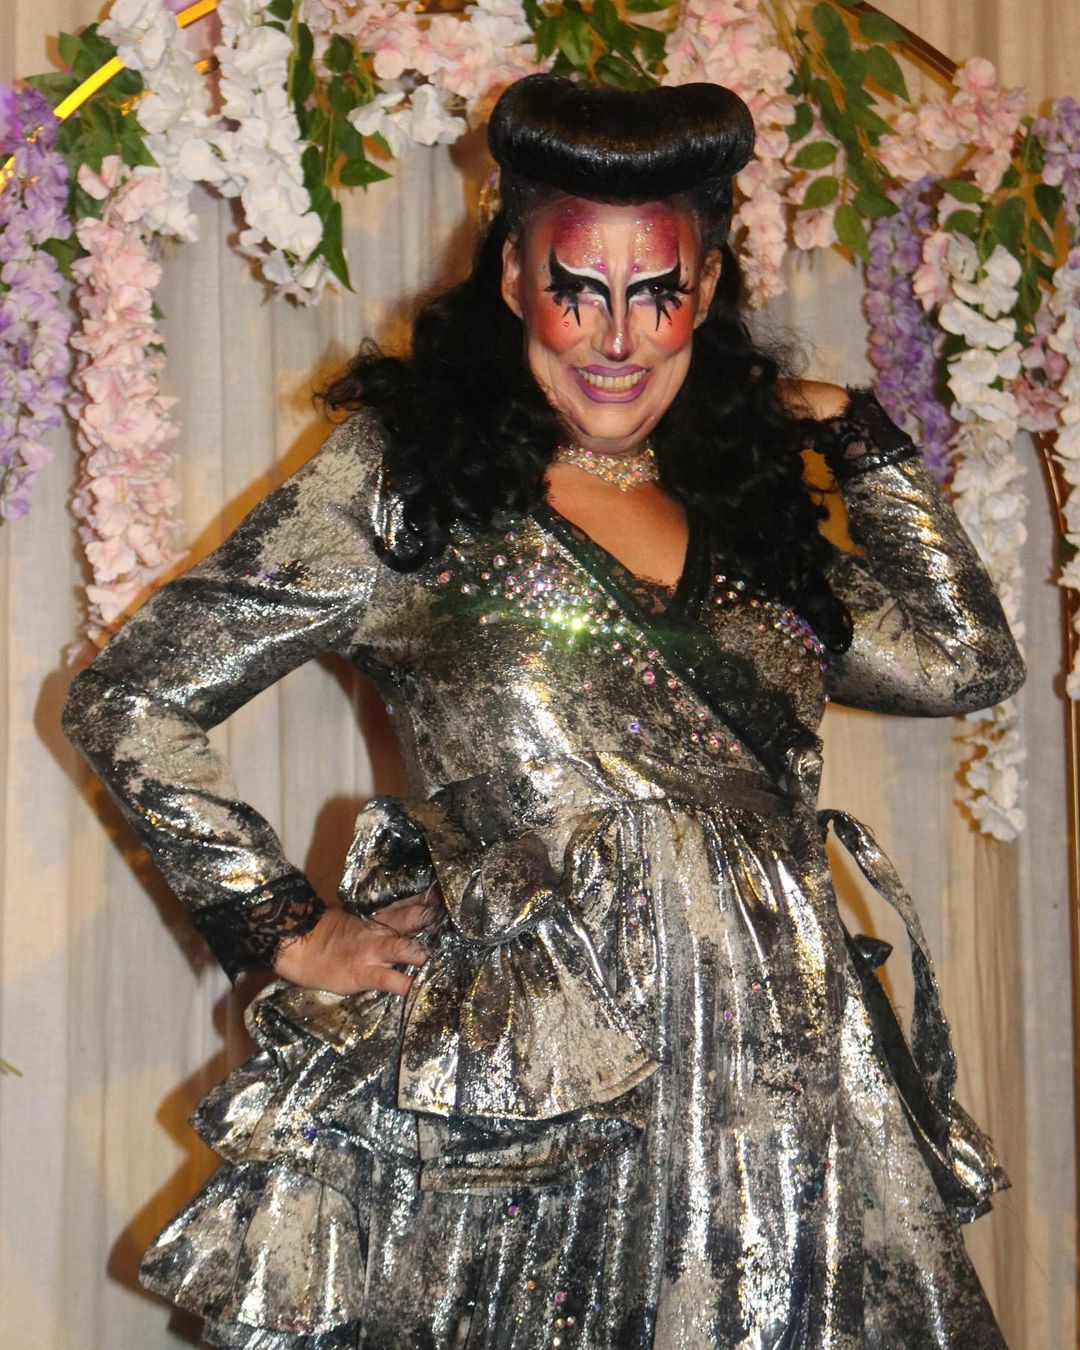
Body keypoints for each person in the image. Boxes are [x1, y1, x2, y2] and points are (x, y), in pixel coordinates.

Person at [62, 74, 1023, 1348]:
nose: (617, 338)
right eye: (579, 287)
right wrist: (286, 928)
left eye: (656, 291)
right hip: (543, 1096)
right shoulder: (407, 487)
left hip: (788, 1105)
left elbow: (967, 661)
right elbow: (133, 697)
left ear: (708, 286)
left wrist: (860, 435)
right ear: (514, 276)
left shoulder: (755, 527)